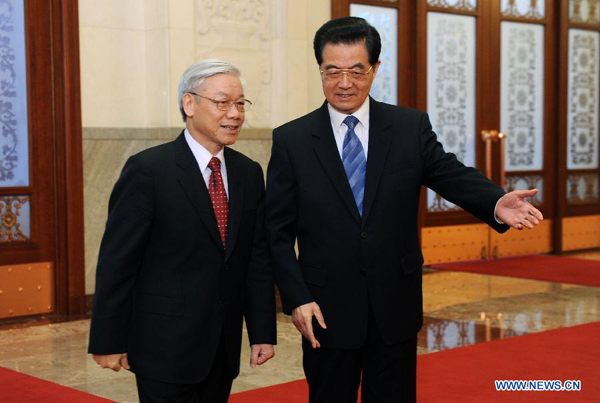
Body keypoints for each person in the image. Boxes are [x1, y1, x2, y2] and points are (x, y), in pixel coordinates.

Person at [265, 17, 543, 402]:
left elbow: (448, 173)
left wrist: (495, 201)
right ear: (320, 70)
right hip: (325, 308)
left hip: (394, 302)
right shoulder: (292, 139)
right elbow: (276, 231)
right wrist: (295, 296)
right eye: (333, 71)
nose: (344, 83)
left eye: (356, 71)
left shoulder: (408, 127)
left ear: (375, 70)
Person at [88, 59, 276, 403]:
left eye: (240, 103)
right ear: (189, 104)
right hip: (163, 345)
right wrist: (107, 340)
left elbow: (255, 259)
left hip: (222, 347)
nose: (235, 114)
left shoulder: (248, 173)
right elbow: (118, 262)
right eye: (222, 103)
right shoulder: (148, 170)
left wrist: (263, 332)